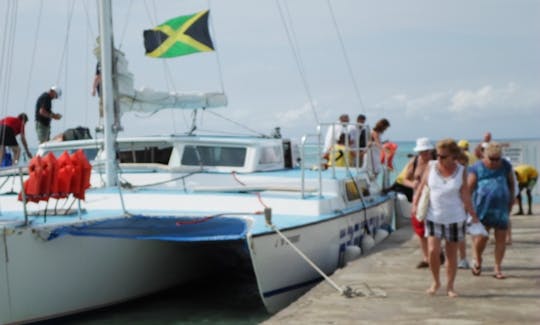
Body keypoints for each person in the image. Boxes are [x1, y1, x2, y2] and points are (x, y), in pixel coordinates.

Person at [413, 139, 478, 297]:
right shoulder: (431, 166)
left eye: (443, 156)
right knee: (433, 250)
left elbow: (464, 193)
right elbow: (422, 186)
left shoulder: (461, 170)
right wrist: (415, 204)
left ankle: (450, 286)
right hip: (434, 216)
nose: (439, 159)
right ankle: (436, 281)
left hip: (455, 218)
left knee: (451, 255)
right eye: (438, 155)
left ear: (453, 156)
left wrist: (472, 213)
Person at [468, 141, 514, 280]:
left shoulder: (505, 165)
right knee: (482, 237)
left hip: (501, 208)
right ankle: (477, 258)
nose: (494, 162)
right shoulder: (477, 167)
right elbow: (469, 188)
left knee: (501, 238)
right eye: (491, 159)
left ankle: (497, 267)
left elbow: (511, 183)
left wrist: (512, 199)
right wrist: (468, 209)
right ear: (485, 156)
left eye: (497, 159)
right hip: (483, 208)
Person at [91, 61, 104, 126]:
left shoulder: (101, 61)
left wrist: (93, 89)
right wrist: (94, 89)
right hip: (106, 92)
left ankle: (102, 123)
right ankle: (102, 122)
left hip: (105, 92)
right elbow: (98, 76)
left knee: (103, 107)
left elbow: (98, 77)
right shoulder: (100, 62)